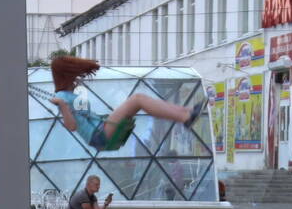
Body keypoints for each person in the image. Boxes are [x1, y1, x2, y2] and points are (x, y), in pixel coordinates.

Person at [49, 55, 205, 152]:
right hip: (98, 135)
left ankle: (187, 112)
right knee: (137, 100)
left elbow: (82, 116)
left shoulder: (72, 93)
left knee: (138, 100)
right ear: (67, 74)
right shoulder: (61, 96)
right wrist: (62, 105)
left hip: (100, 130)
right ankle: (185, 116)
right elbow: (72, 126)